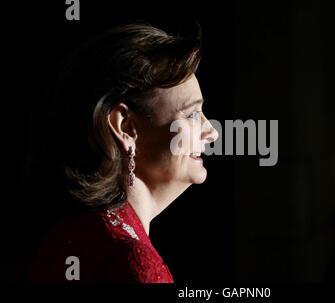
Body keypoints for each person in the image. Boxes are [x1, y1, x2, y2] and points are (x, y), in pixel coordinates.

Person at [28, 22, 218, 282]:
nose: (212, 132)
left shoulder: (71, 233)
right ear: (125, 127)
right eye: (193, 114)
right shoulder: (133, 264)